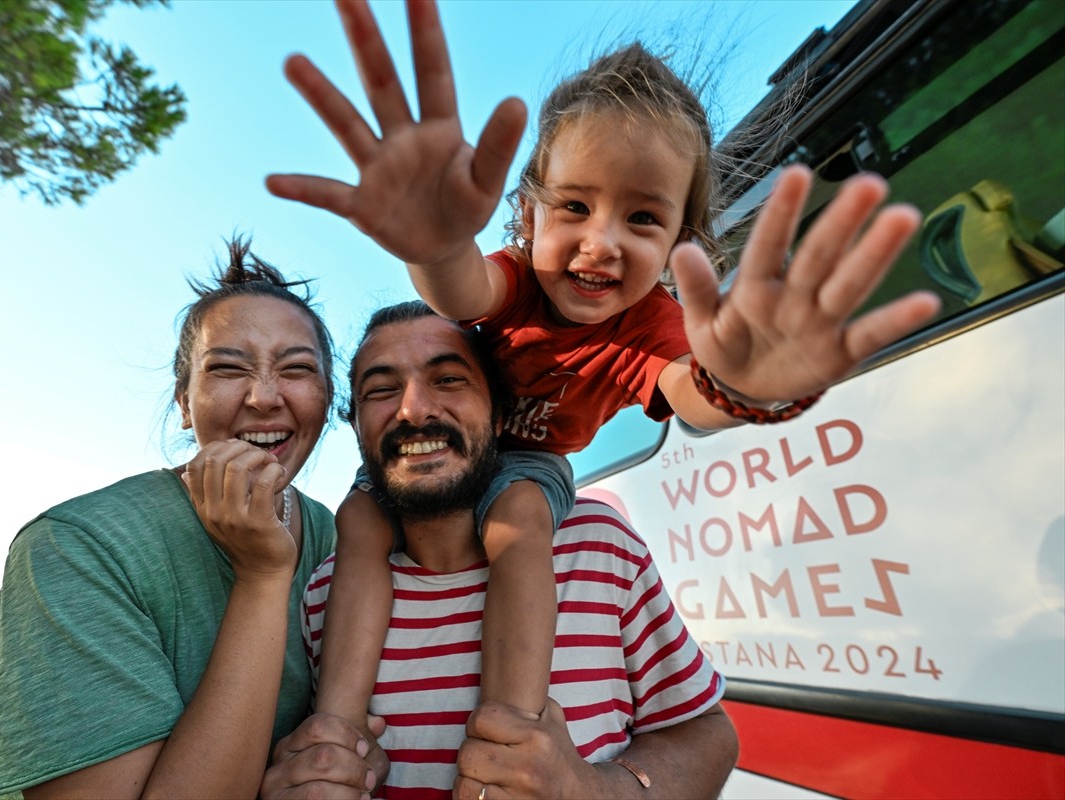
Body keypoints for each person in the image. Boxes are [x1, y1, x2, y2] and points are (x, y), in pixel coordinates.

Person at [268, 0, 943, 745]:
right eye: (576, 208)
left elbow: (691, 394)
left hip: (530, 460)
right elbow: (462, 288)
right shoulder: (519, 279)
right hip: (460, 442)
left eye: (642, 219)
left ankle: (508, 734)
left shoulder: (650, 323)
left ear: (681, 241)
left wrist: (742, 387)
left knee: (519, 520)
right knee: (361, 520)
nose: (601, 242)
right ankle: (333, 725)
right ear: (529, 217)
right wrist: (432, 245)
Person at [0, 238, 382, 799]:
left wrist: (351, 761)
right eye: (229, 369)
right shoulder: (78, 548)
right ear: (185, 401)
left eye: (297, 370)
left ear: (327, 401)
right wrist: (261, 575)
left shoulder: (340, 540)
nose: (263, 396)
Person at [301, 300, 739, 797]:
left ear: (500, 411)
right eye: (380, 390)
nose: (414, 408)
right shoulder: (322, 595)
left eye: (448, 380)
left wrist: (596, 791)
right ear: (356, 425)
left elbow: (706, 732)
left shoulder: (599, 545)